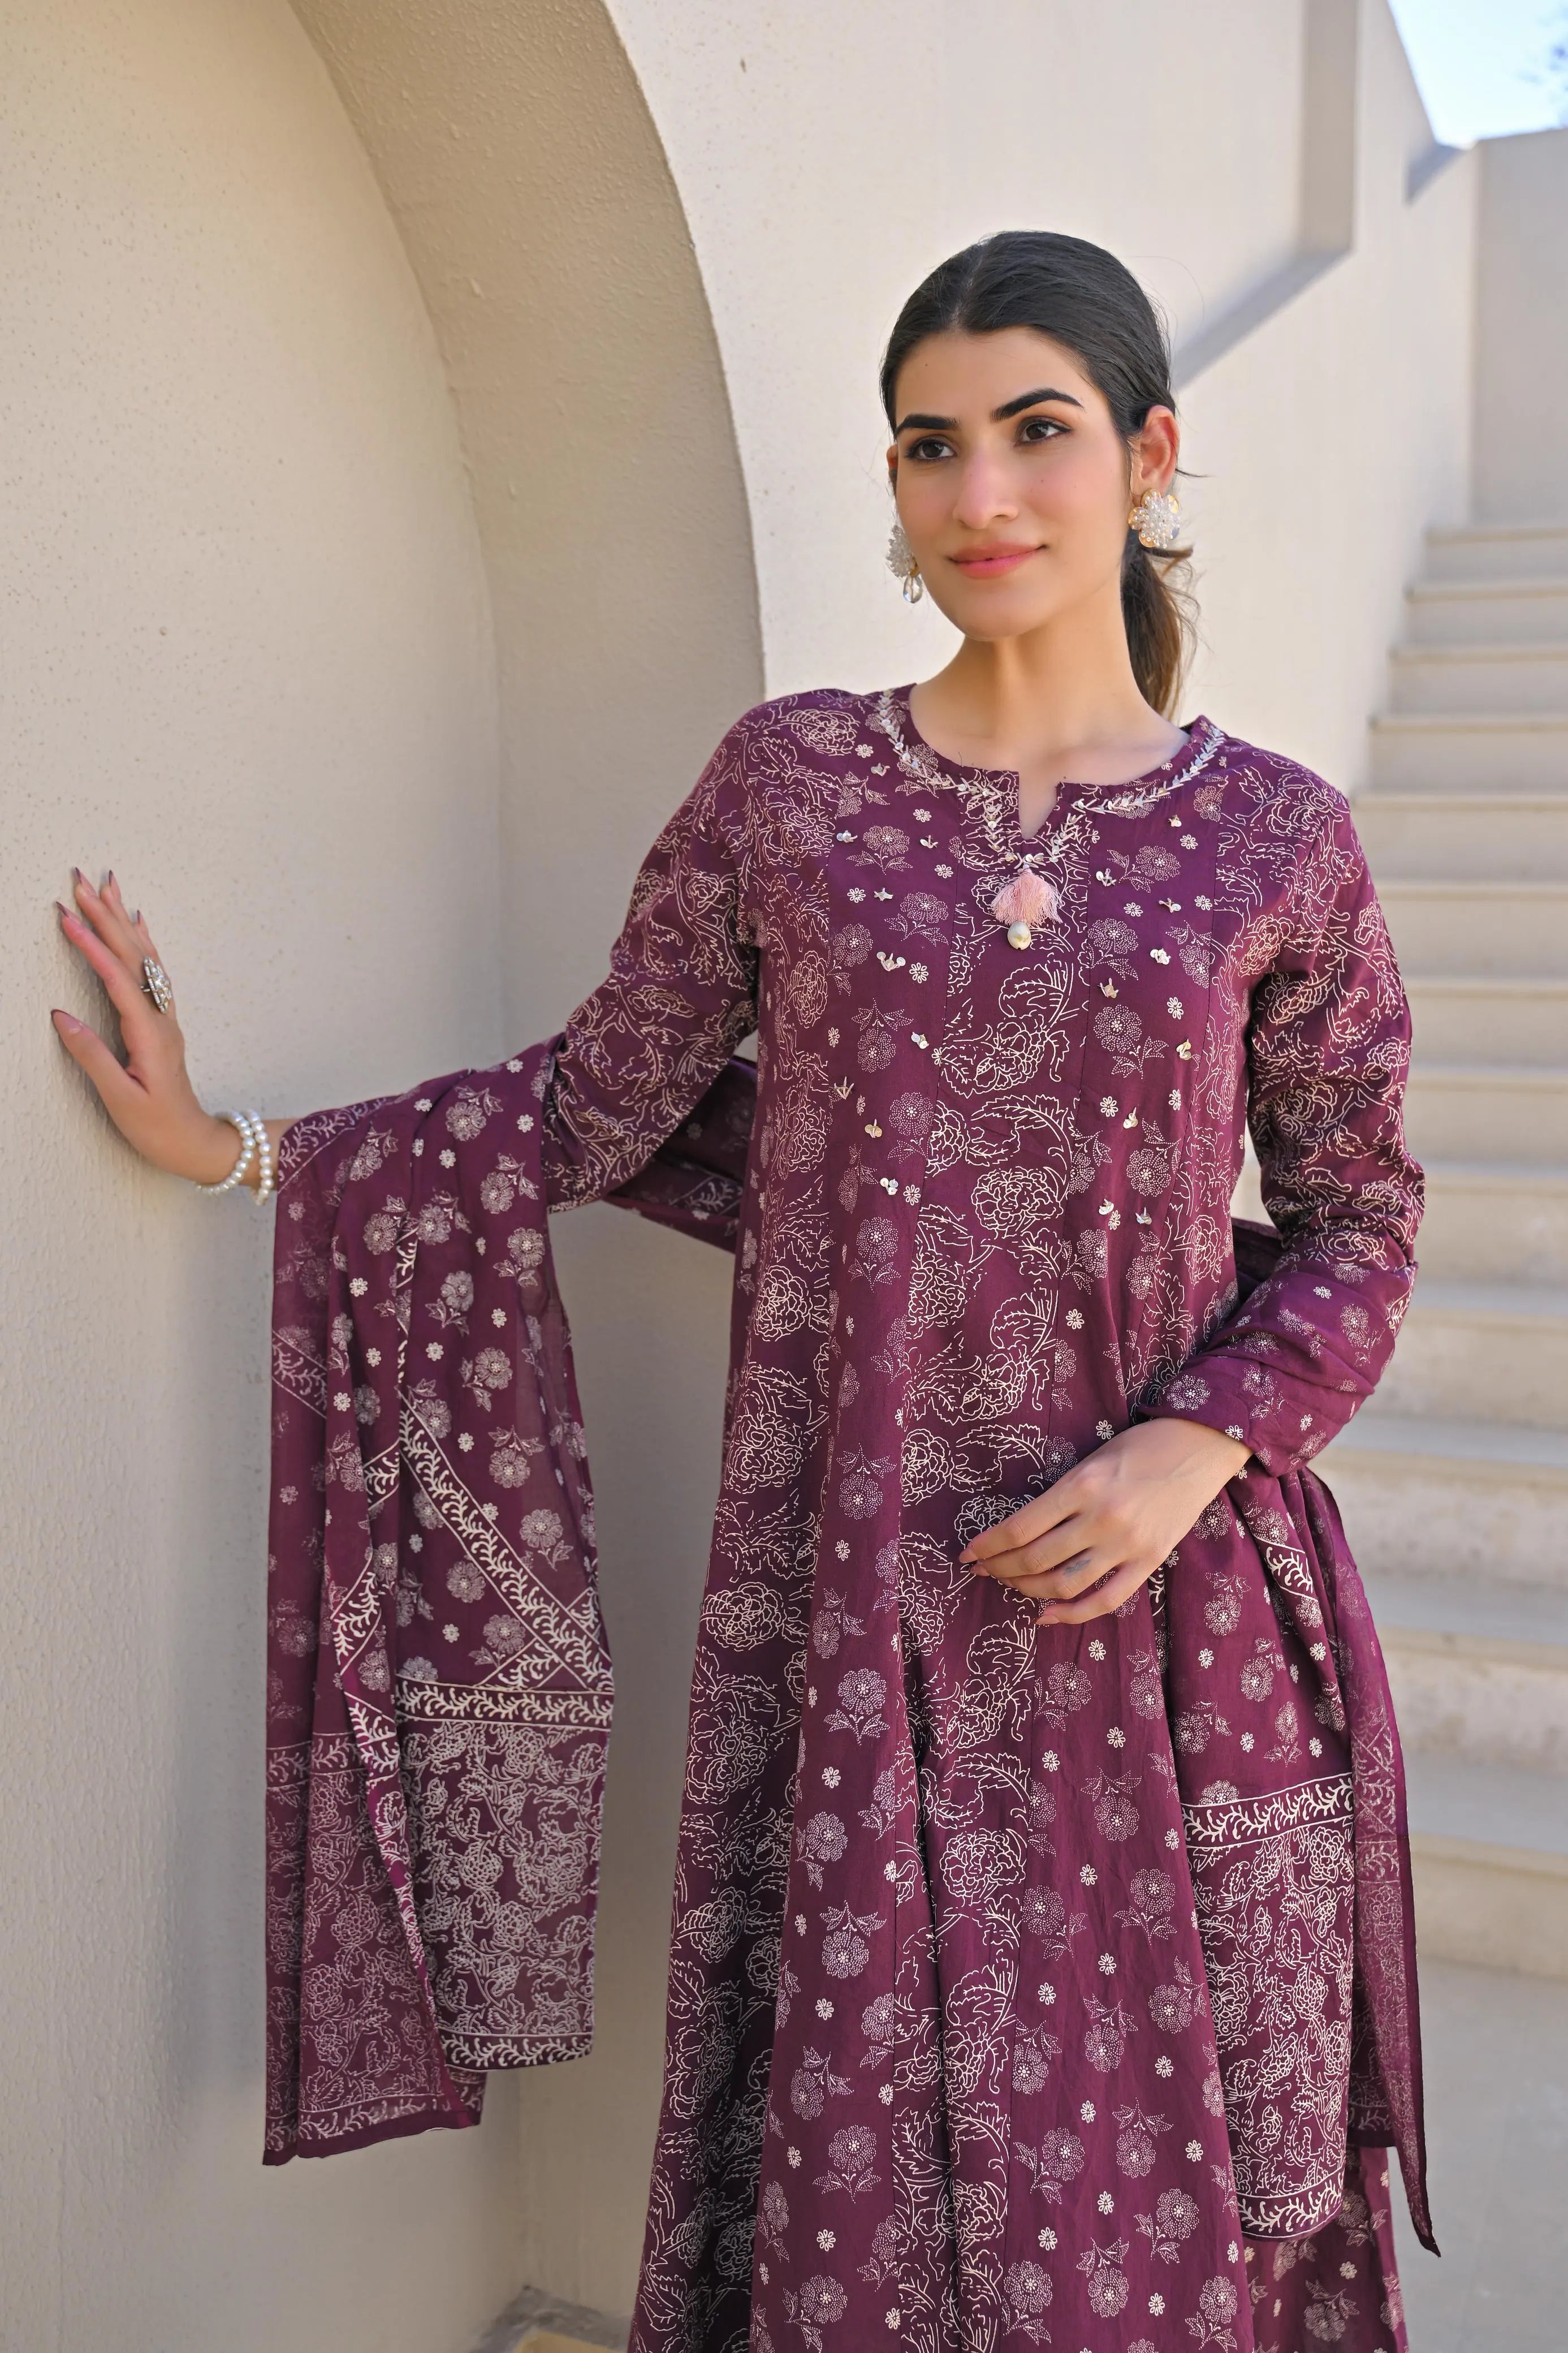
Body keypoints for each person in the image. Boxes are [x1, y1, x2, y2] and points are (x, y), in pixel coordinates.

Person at [52, 231, 1429, 2353]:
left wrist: (1194, 1442)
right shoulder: (789, 791)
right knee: (864, 2182)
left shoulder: (1277, 843)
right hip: (855, 1586)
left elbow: (1362, 1220)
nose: (981, 495)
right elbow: (600, 1105)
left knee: (1165, 2213)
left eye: (1037, 434)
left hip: (1158, 1622)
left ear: (1150, 456)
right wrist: (239, 1145)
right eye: (929, 447)